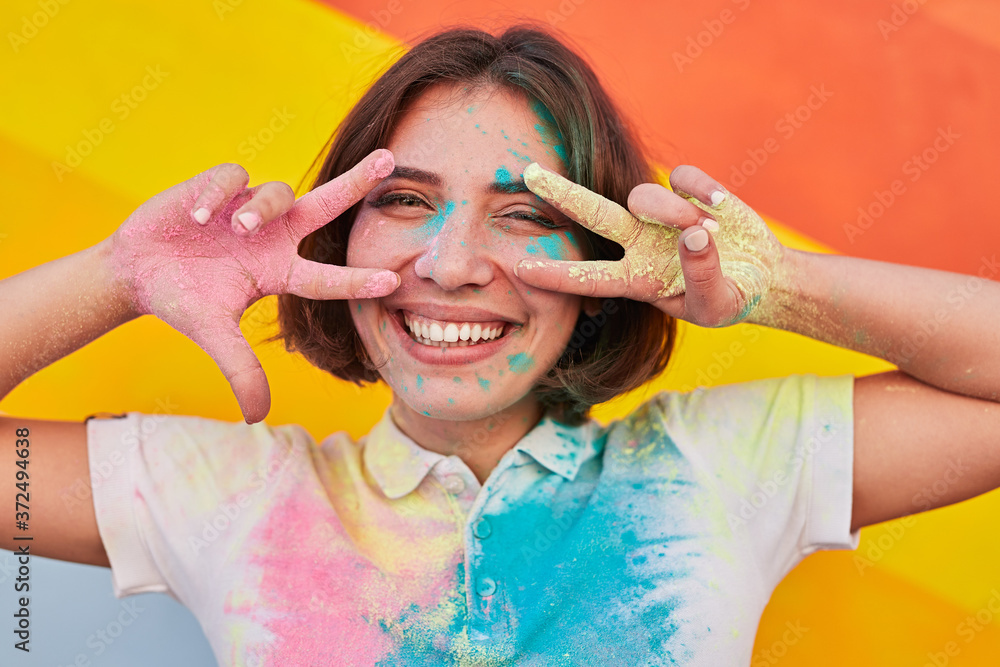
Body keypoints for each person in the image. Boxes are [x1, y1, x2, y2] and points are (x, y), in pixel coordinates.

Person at [2, 24, 999, 666]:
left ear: (605, 259)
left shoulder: (719, 465)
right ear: (337, 235)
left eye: (522, 214)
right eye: (405, 201)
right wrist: (118, 277)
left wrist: (782, 286)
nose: (452, 262)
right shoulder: (221, 491)